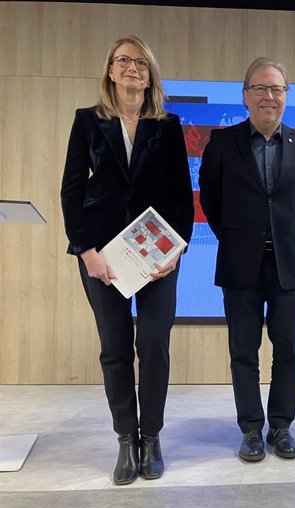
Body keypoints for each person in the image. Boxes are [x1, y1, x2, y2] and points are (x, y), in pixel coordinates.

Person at [60, 35, 194, 485]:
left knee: (153, 345)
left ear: (150, 73)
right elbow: (72, 190)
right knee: (115, 349)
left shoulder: (169, 125)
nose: (132, 68)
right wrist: (86, 251)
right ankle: (125, 440)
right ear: (110, 71)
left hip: (156, 257)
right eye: (124, 61)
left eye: (141, 62)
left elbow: (180, 196)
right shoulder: (87, 121)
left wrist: (176, 250)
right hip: (103, 257)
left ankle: (151, 438)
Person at [198, 57, 295, 462]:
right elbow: (212, 203)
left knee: (289, 349)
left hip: (288, 264)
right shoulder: (221, 143)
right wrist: (240, 238)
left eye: (278, 89)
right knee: (243, 351)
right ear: (246, 96)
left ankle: (281, 427)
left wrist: (280, 236)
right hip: (239, 263)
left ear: (286, 96)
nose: (270, 96)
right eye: (261, 89)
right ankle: (251, 428)